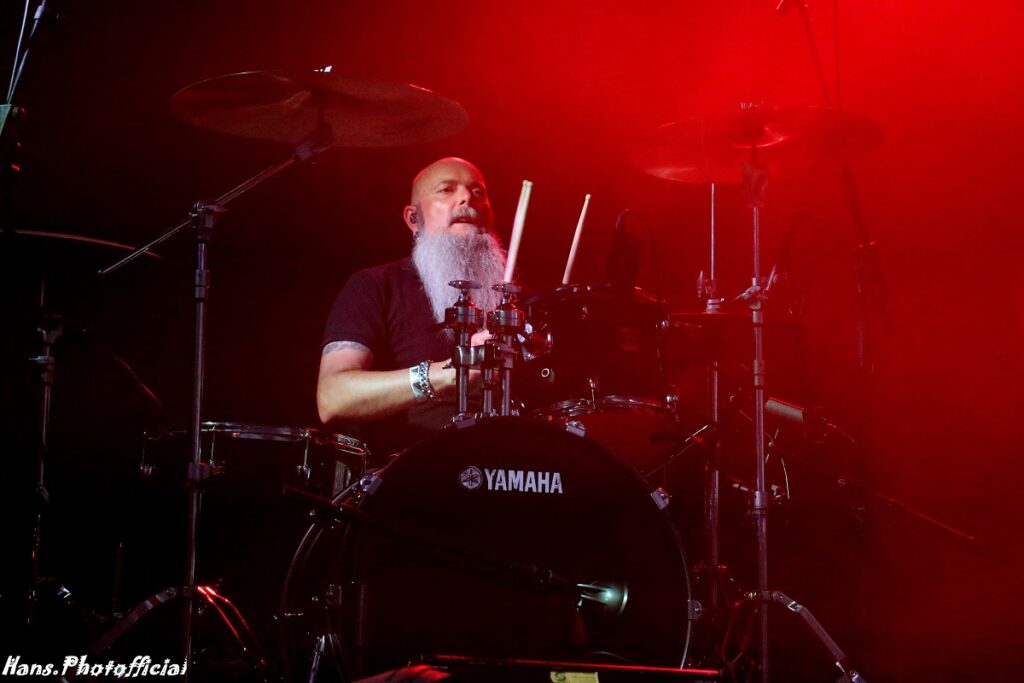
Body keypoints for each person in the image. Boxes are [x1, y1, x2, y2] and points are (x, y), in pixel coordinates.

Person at [317, 157, 506, 455]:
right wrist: (449, 373)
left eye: (478, 192)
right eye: (446, 189)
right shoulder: (376, 286)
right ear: (413, 218)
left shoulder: (515, 302)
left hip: (509, 469)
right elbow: (333, 398)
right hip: (412, 469)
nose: (466, 198)